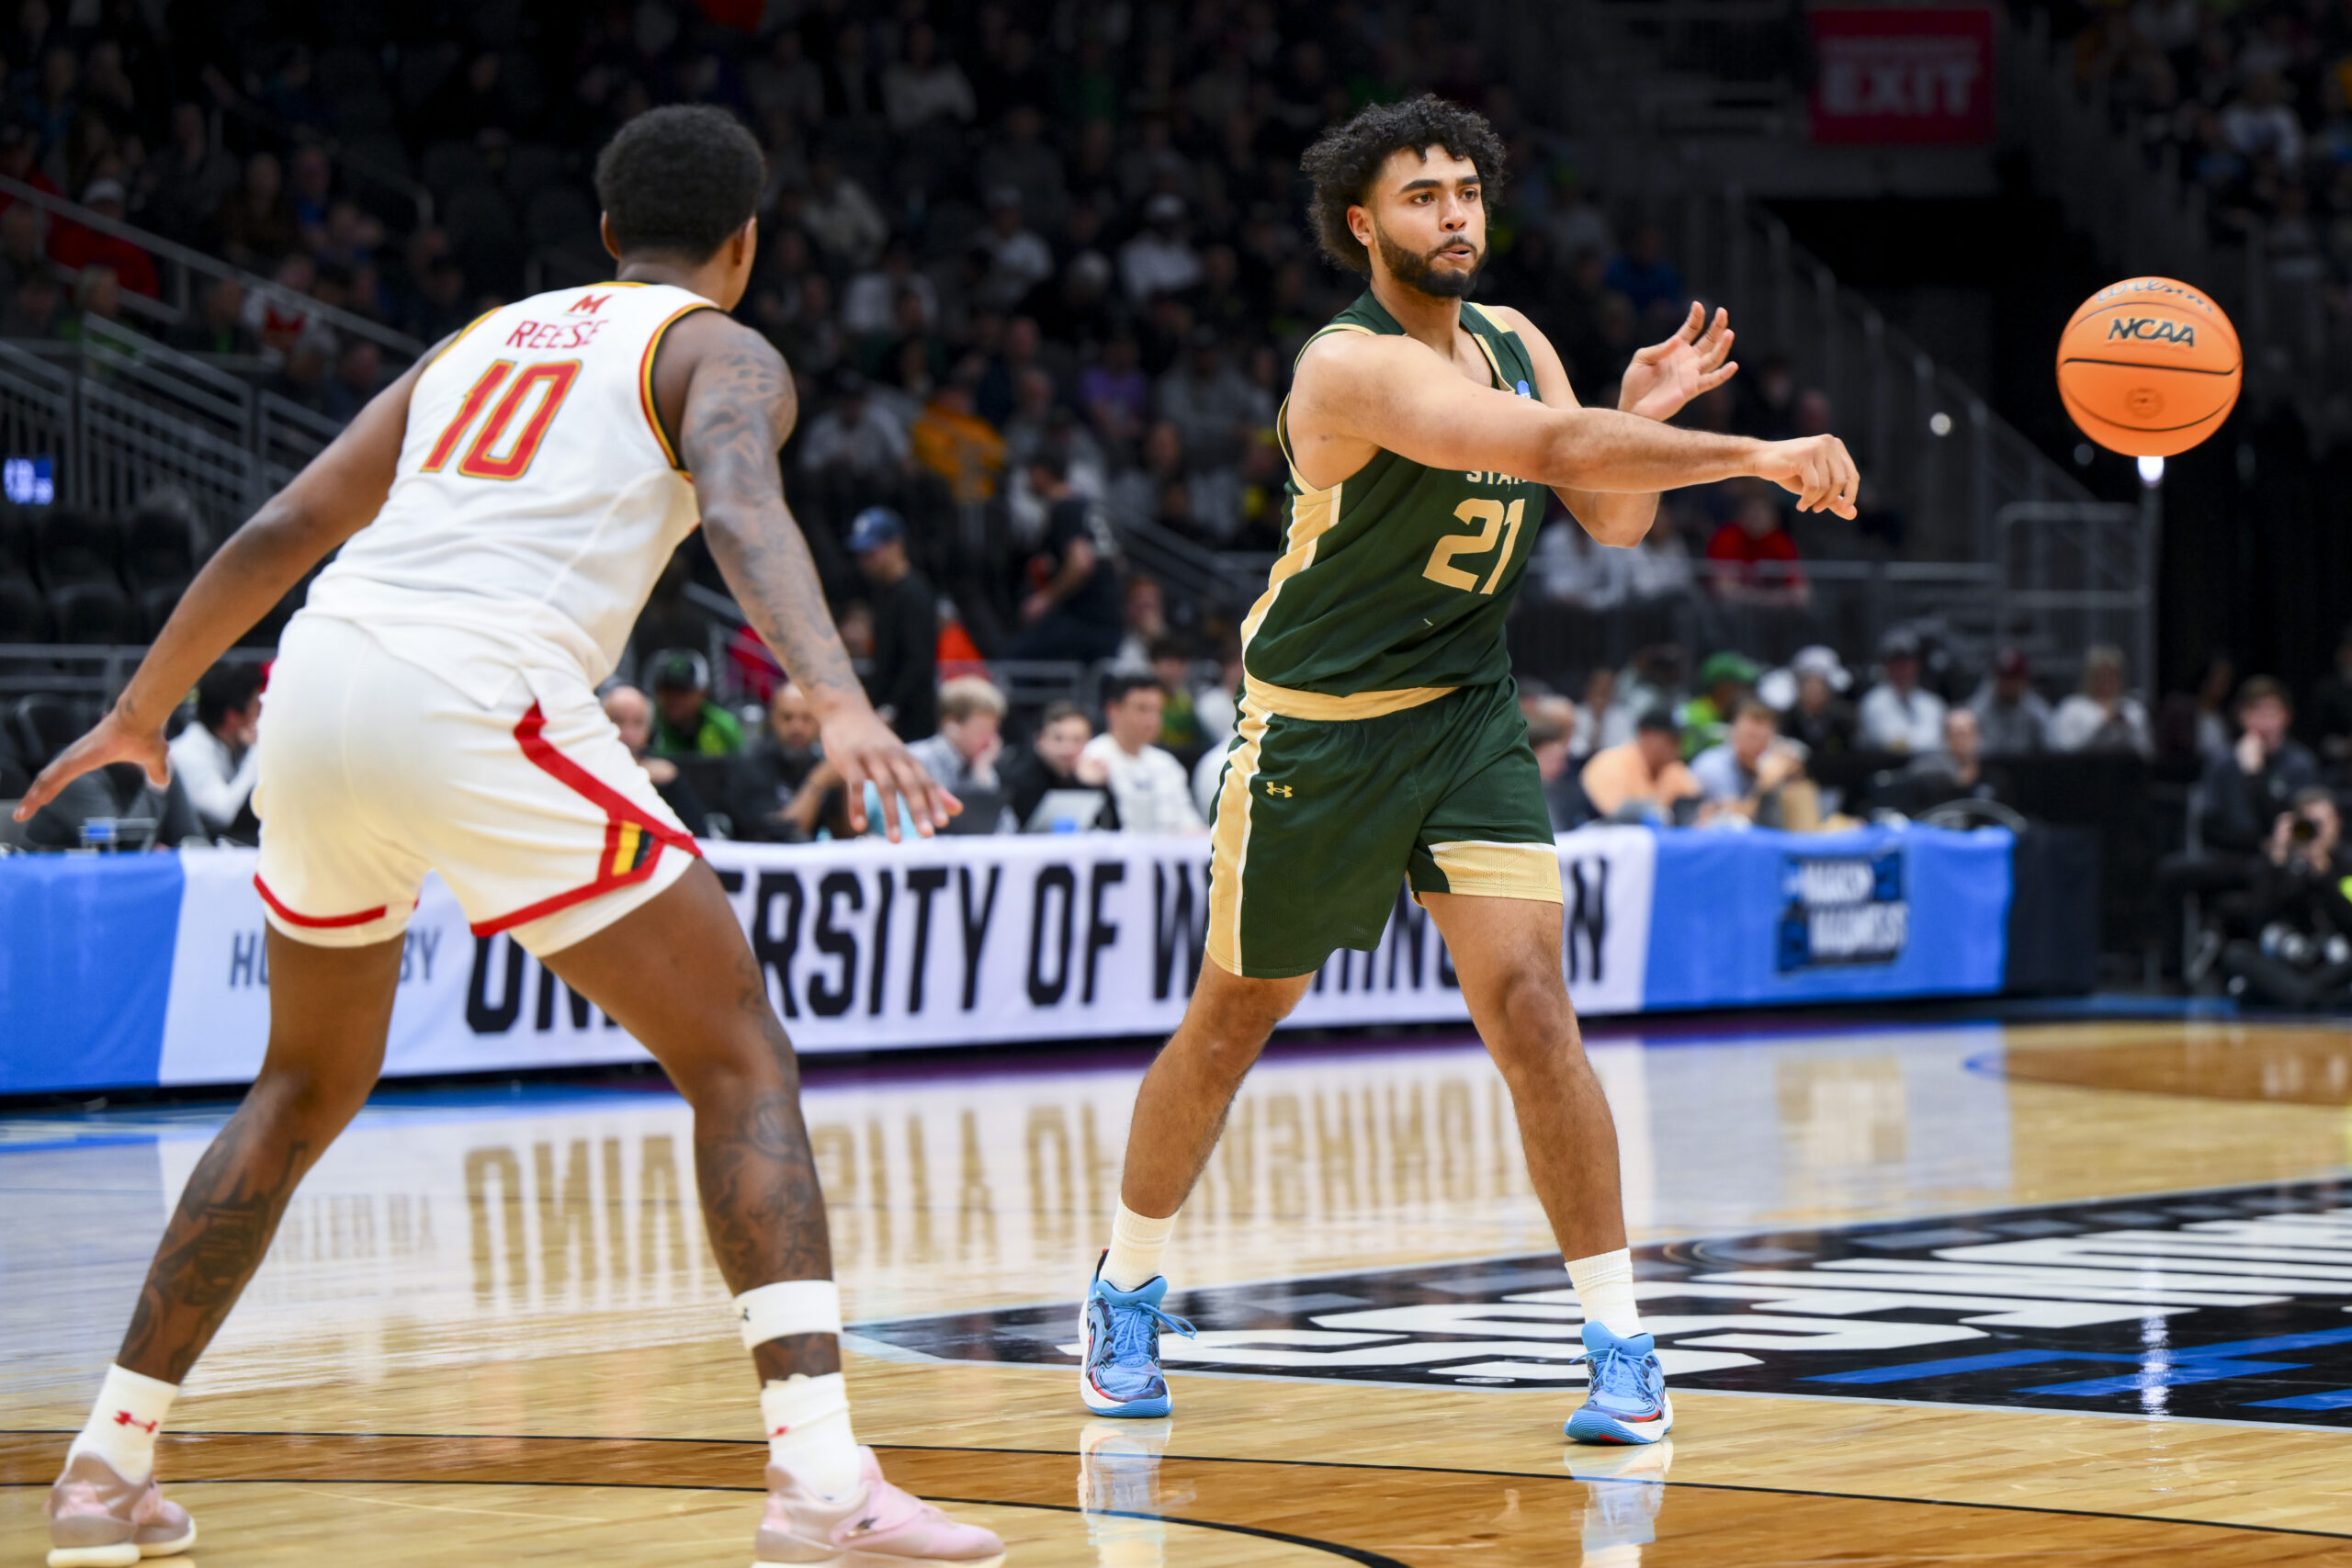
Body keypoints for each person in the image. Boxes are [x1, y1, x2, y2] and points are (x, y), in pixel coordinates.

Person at [16, 105, 1000, 1568]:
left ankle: (106, 1464)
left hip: (317, 678)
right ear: (744, 245)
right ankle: (818, 1481)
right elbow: (742, 505)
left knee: (298, 1083)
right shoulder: (718, 350)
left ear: (605, 234)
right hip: (479, 684)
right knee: (739, 1055)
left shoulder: (476, 341)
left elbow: (284, 523)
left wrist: (142, 708)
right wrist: (842, 700)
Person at [1077, 94, 1856, 1451]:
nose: (1453, 215)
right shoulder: (1348, 368)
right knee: (1233, 1019)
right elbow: (1548, 449)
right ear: (1362, 224)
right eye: (1422, 195)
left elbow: (1607, 516)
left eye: (1467, 191)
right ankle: (1123, 1286)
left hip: (1467, 715)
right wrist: (1752, 452)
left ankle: (1619, 1340)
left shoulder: (1516, 338)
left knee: (1533, 1006)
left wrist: (1634, 415)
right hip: (1319, 729)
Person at [1007, 448, 1124, 662]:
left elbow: (1081, 562)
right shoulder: (1089, 507)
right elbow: (1117, 563)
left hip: (1082, 619)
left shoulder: (1064, 508)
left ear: (1042, 474)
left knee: (1011, 662)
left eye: (1030, 473)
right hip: (1111, 619)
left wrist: (1045, 599)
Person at [846, 506, 939, 739]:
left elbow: (918, 662)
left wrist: (891, 708)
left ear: (896, 546)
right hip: (887, 714)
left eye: (872, 552)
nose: (865, 561)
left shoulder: (914, 594)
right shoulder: (884, 592)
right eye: (862, 554)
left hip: (911, 722)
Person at [2199, 676, 2321, 853]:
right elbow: (2208, 828)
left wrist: (2255, 776)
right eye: (2255, 712)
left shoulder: (2301, 764)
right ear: (2242, 716)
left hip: (2283, 856)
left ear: (2286, 716)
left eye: (2271, 712)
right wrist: (2256, 845)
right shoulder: (2222, 761)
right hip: (2230, 855)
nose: (2264, 722)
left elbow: (2297, 828)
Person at [1080, 672, 1207, 834]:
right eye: (1142, 709)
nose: (1151, 720)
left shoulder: (1166, 763)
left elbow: (1190, 823)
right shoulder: (1091, 758)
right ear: (1113, 710)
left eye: (1157, 710)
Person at [731, 680, 844, 842]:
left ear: (818, 723)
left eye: (806, 719)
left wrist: (846, 784)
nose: (797, 728)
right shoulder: (750, 765)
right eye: (787, 718)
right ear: (772, 719)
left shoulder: (819, 762)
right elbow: (783, 834)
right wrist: (817, 782)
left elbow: (845, 836)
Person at [167, 660, 265, 840]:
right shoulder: (188, 753)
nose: (261, 717)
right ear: (232, 717)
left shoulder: (228, 748)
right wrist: (258, 750)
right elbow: (225, 814)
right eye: (256, 708)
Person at [604, 682, 712, 836]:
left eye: (638, 722)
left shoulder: (665, 778)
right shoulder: (584, 770)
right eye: (618, 720)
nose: (628, 733)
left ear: (650, 730)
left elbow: (699, 834)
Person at [1001, 699, 1117, 829]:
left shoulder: (1093, 775)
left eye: (1077, 739)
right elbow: (1036, 825)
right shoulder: (1021, 779)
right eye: (1058, 739)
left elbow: (1112, 826)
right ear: (1039, 740)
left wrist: (1098, 787)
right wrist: (1080, 783)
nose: (1068, 748)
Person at [1690, 698, 1805, 822]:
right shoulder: (1712, 765)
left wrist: (1794, 775)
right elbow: (1734, 818)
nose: (1756, 744)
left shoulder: (1766, 763)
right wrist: (1763, 785)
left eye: (1763, 738)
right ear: (1734, 732)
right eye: (1750, 736)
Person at [1581, 709, 1702, 820]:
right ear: (1647, 735)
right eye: (1672, 741)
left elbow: (1696, 811)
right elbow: (1615, 816)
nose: (1678, 749)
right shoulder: (1610, 763)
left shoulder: (1674, 769)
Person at [905, 674, 1007, 798]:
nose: (990, 741)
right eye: (982, 731)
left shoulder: (981, 765)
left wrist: (982, 770)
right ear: (951, 726)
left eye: (993, 731)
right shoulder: (915, 759)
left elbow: (997, 811)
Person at [2048, 644, 2152, 756]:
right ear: (2090, 677)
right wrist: (2101, 728)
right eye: (2101, 676)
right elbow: (2063, 748)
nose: (2106, 682)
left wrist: (2129, 731)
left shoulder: (2133, 709)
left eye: (2112, 675)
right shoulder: (2072, 707)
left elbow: (2147, 752)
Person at [1858, 628, 1946, 754]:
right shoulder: (1873, 703)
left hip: (1931, 765)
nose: (1902, 668)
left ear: (1917, 664)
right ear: (1886, 665)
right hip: (1888, 765)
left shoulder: (1933, 704)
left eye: (1907, 661)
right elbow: (1892, 743)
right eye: (1896, 662)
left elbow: (1941, 742)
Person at [647, 648, 744, 757]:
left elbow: (742, 764)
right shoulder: (648, 725)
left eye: (682, 691)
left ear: (702, 693)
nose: (674, 698)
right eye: (667, 690)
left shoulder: (723, 727)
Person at [1967, 649, 2050, 755]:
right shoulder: (1977, 711)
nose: (2009, 684)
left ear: (2025, 680)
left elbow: (2052, 750)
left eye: (2014, 678)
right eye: (2004, 678)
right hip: (1987, 764)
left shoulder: (2037, 712)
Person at [1779, 645, 1856, 758]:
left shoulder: (1845, 721)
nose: (1815, 691)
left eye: (1821, 685)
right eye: (1809, 684)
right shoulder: (1785, 721)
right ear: (1798, 687)